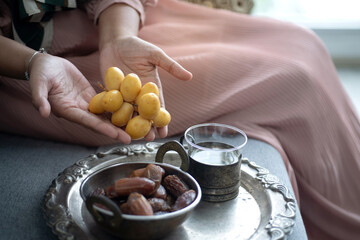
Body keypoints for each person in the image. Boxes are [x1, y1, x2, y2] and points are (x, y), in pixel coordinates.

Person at [0, 0, 359, 239]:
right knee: (295, 79)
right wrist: (33, 64)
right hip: (38, 65)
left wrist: (121, 35)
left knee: (304, 45)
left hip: (114, 26)